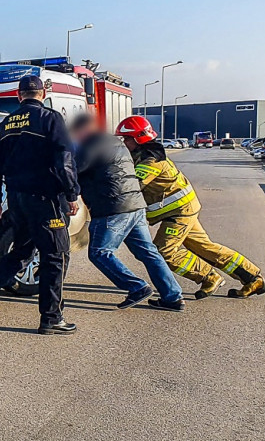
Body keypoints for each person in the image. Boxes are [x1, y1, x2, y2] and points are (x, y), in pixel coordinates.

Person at [0, 76, 79, 334]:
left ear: (19, 96)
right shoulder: (51, 118)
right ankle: (52, 319)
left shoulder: (6, 123)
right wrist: (72, 193)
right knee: (56, 255)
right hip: (45, 199)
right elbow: (64, 160)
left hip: (18, 199)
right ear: (43, 94)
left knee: (23, 251)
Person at [116, 116, 265, 300]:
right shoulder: (146, 156)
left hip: (179, 212)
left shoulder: (151, 162)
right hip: (183, 208)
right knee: (204, 247)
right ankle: (252, 278)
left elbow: (130, 187)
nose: (124, 143)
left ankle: (208, 276)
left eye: (126, 139)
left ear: (138, 139)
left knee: (164, 251)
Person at [70, 113, 185, 311]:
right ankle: (173, 297)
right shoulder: (116, 143)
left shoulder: (91, 144)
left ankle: (136, 287)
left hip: (112, 208)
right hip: (135, 206)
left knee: (99, 252)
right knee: (148, 252)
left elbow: (73, 170)